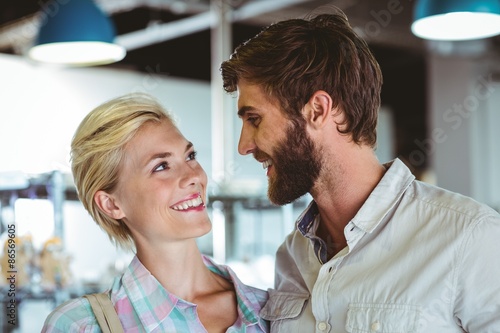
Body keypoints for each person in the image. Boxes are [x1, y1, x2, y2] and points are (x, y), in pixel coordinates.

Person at [220, 7, 500, 332]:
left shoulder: (470, 238)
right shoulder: (291, 258)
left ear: (318, 110)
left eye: (254, 119)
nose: (244, 146)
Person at [41, 93, 269, 333]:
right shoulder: (80, 326)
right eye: (161, 166)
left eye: (190, 156)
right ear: (111, 205)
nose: (193, 176)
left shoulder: (271, 311)